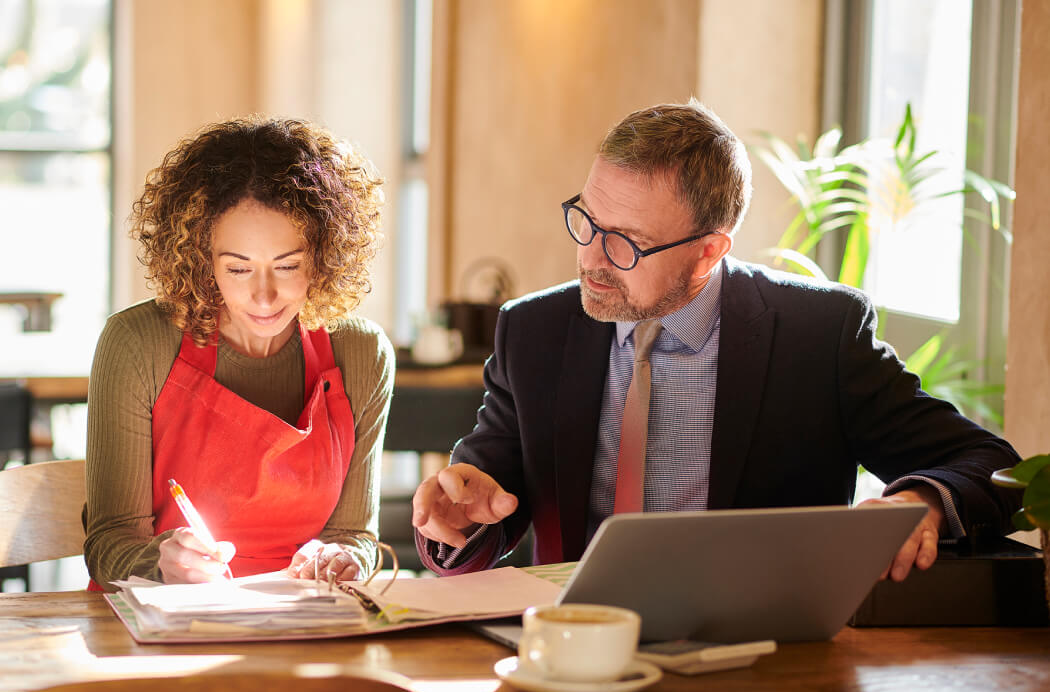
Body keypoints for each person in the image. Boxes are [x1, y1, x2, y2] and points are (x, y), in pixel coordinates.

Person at [411, 99, 1022, 580]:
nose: (590, 258)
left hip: (763, 657)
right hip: (573, 654)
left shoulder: (816, 336)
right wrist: (456, 517)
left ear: (708, 252)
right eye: (586, 221)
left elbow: (991, 467)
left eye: (624, 242)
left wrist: (924, 500)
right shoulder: (535, 330)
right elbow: (480, 497)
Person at [84, 117, 392, 592]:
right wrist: (158, 561)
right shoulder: (137, 343)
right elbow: (108, 544)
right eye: (238, 268)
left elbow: (355, 535)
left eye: (287, 265)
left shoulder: (361, 353)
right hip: (164, 626)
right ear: (202, 260)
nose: (264, 297)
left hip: (307, 624)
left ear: (324, 256)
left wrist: (344, 557)